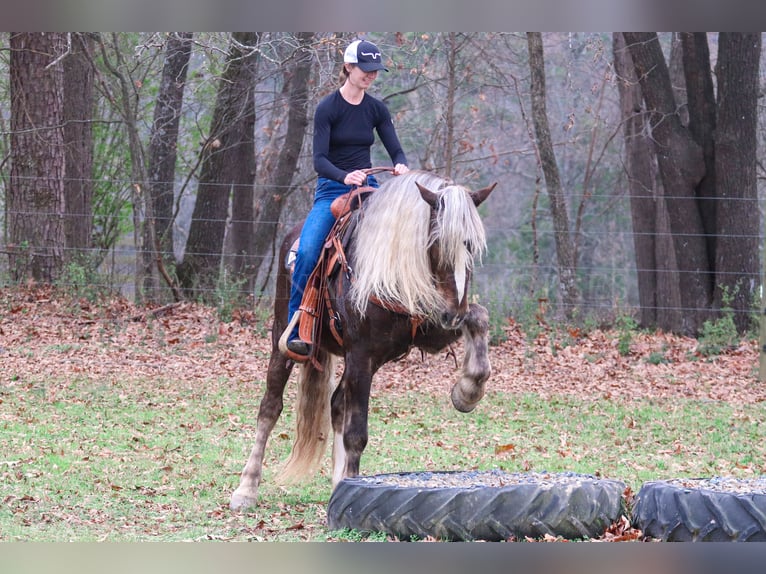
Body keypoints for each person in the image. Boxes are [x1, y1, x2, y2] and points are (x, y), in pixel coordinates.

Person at [286, 39, 410, 358]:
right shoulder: (328, 108)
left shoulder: (376, 109)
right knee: (309, 250)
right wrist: (344, 176)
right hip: (332, 190)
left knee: (401, 237)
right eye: (365, 70)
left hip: (368, 188)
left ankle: (406, 320)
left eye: (375, 71)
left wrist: (400, 164)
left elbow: (395, 147)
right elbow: (319, 161)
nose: (371, 76)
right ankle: (298, 326)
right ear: (348, 67)